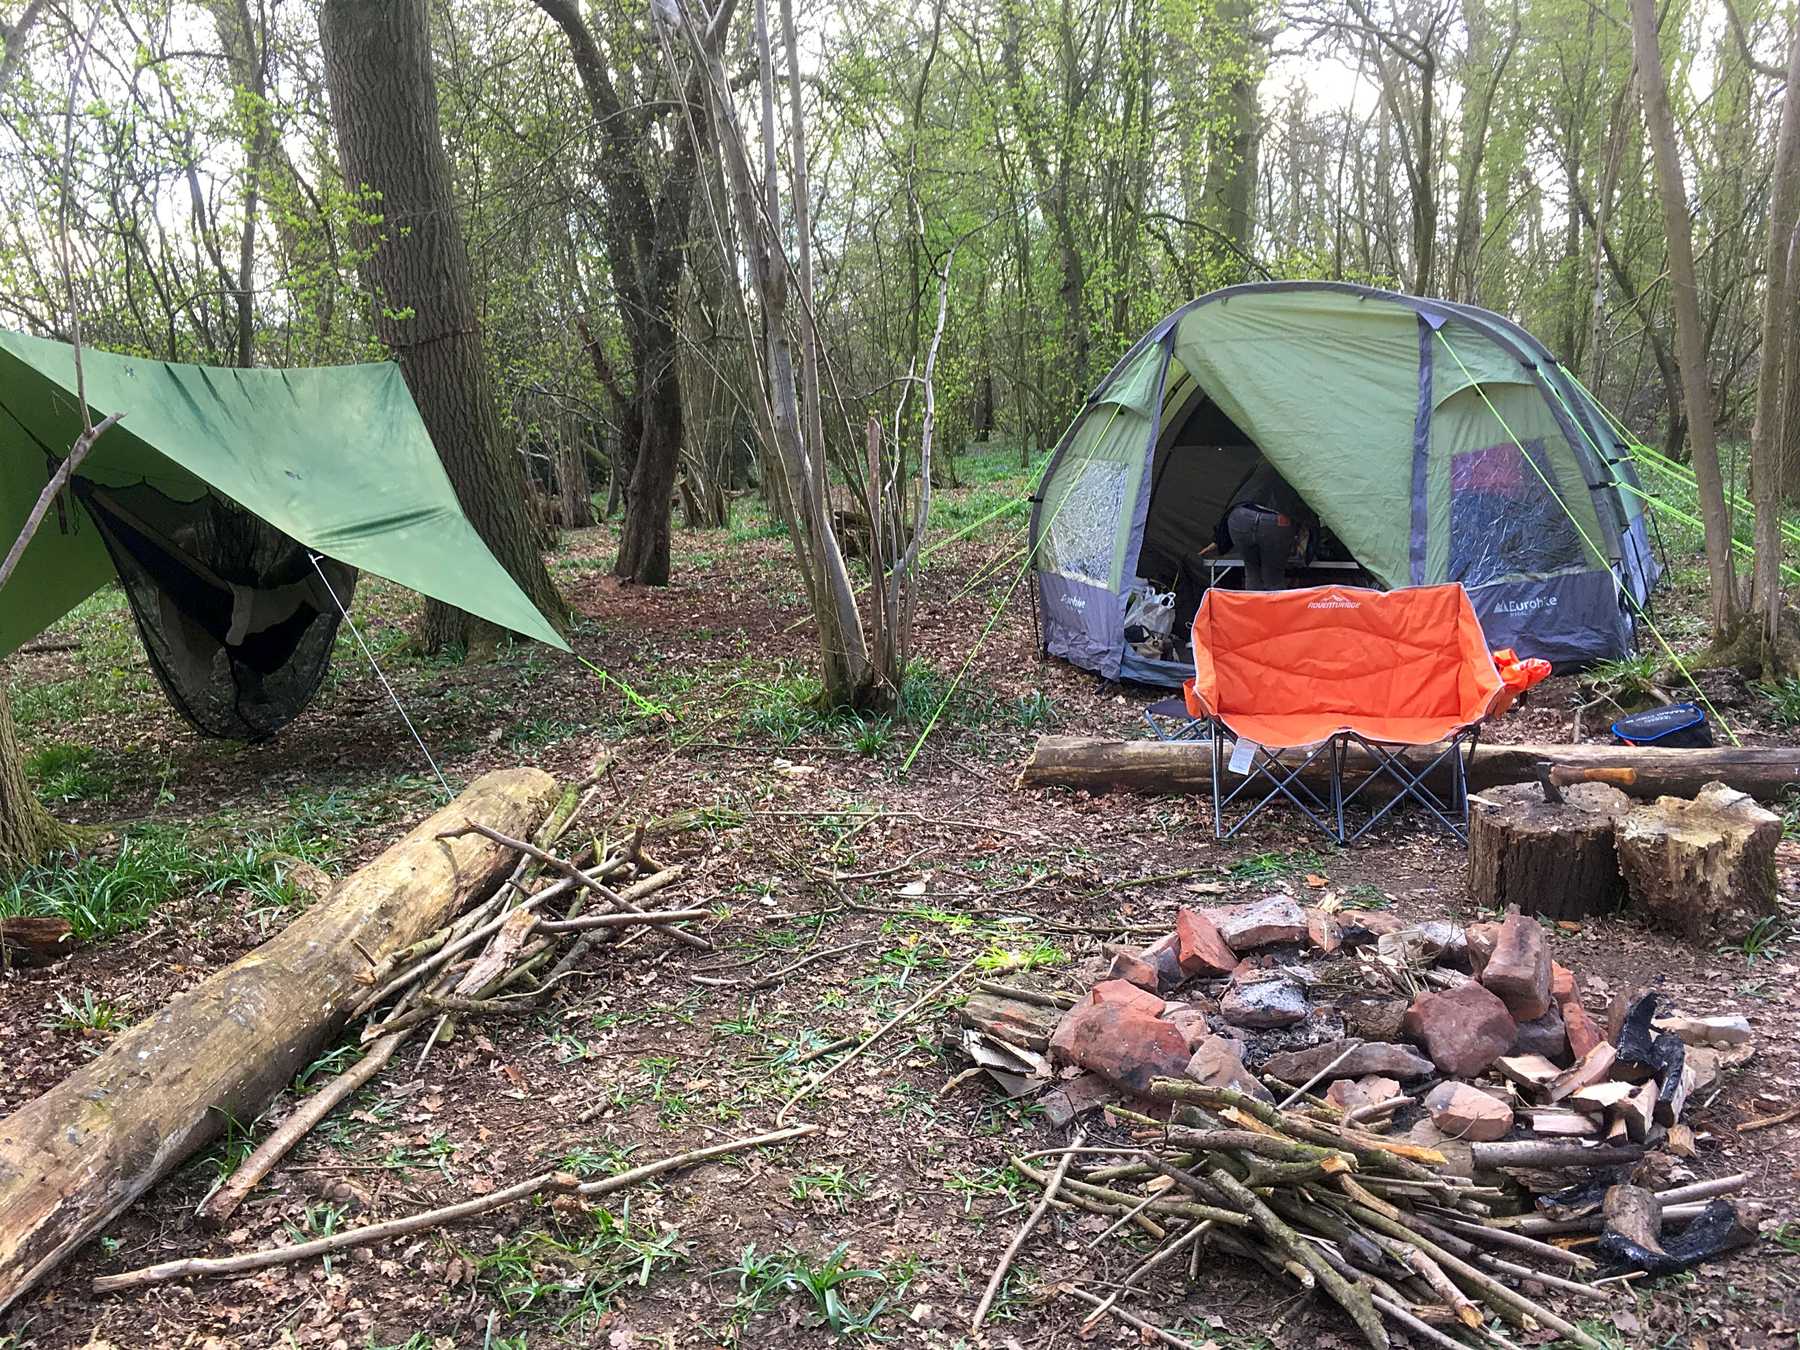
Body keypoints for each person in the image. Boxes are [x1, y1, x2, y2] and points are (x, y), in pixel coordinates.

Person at [1224, 461, 1315, 590]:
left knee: (1252, 572)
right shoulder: (1304, 466)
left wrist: (1218, 537)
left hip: (1240, 515)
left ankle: (1252, 609)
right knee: (1273, 578)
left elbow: (1238, 492)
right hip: (1276, 520)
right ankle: (1274, 609)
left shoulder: (1265, 459)